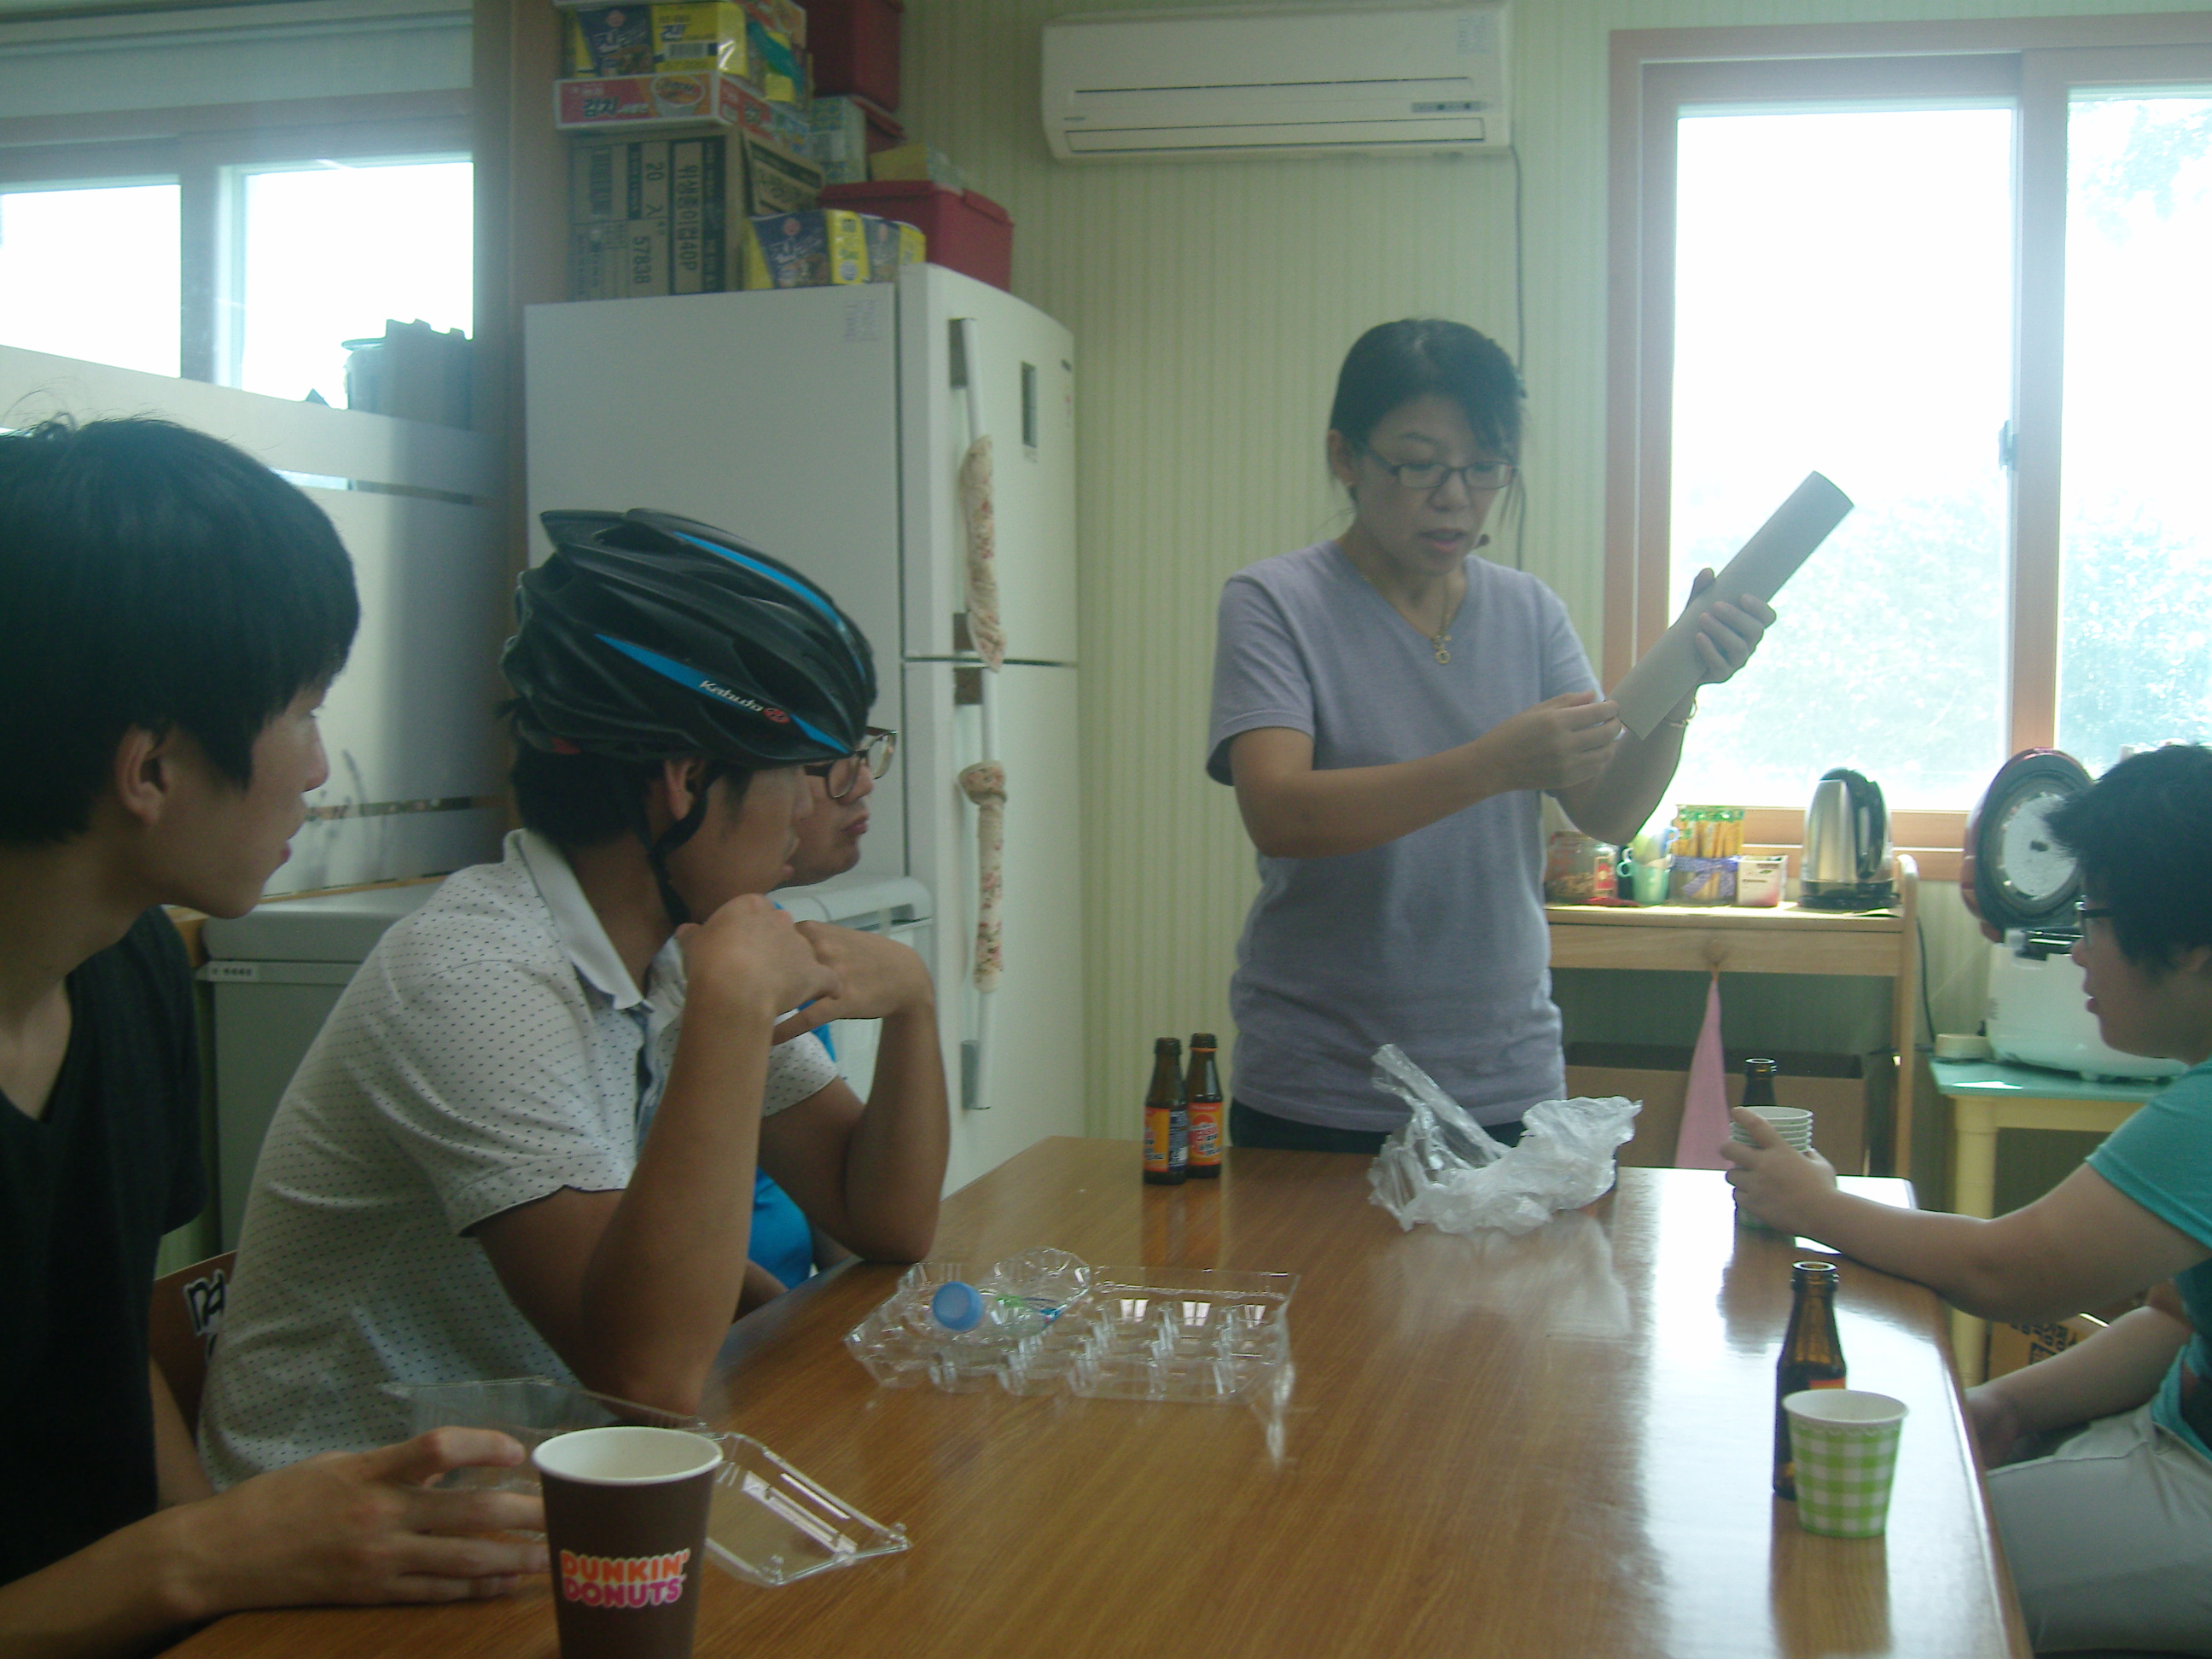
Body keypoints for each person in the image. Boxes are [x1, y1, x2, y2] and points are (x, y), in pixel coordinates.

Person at [201, 509, 947, 1484]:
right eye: (797, 774)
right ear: (686, 782)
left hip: (538, 1494)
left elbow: (884, 1221)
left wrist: (914, 1003)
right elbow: (647, 1375)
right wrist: (729, 1008)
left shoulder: (672, 950)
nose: (809, 810)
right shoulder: (479, 977)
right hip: (349, 1536)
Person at [0, 417, 544, 1658]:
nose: (317, 770)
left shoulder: (127, 970)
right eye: (301, 712)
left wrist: (231, 1577)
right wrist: (206, 1557)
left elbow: (107, 1351)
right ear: (151, 768)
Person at [1206, 318, 1773, 1150]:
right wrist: (1492, 765)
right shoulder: (1274, 603)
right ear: (1345, 457)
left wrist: (1684, 682)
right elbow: (1280, 813)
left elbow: (1609, 812)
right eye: (1419, 464)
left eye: (1483, 467)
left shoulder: (1528, 611)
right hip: (1322, 1091)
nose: (1455, 497)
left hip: (1506, 1081)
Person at [1726, 743, 2212, 1654]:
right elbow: (2174, 1320)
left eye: (2095, 918)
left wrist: (1818, 1206)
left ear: (2190, 948)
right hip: (2176, 1438)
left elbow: (2010, 1272)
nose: (2079, 951)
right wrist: (2006, 1408)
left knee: (1896, 1558)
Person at [743, 723, 897, 1307]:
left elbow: (861, 1220)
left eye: (862, 752)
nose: (863, 782)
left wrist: (915, 1004)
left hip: (791, 1320)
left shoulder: (775, 933)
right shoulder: (694, 957)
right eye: (828, 759)